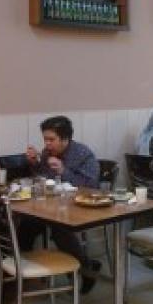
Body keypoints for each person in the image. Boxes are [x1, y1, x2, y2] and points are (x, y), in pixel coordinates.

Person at [21, 116, 101, 294]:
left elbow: (92, 185)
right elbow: (43, 178)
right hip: (52, 206)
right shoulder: (47, 153)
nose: (47, 144)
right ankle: (23, 273)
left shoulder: (83, 154)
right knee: (26, 223)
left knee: (60, 227)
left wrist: (64, 170)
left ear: (65, 139)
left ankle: (84, 269)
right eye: (45, 139)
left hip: (79, 206)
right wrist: (34, 163)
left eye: (51, 139)